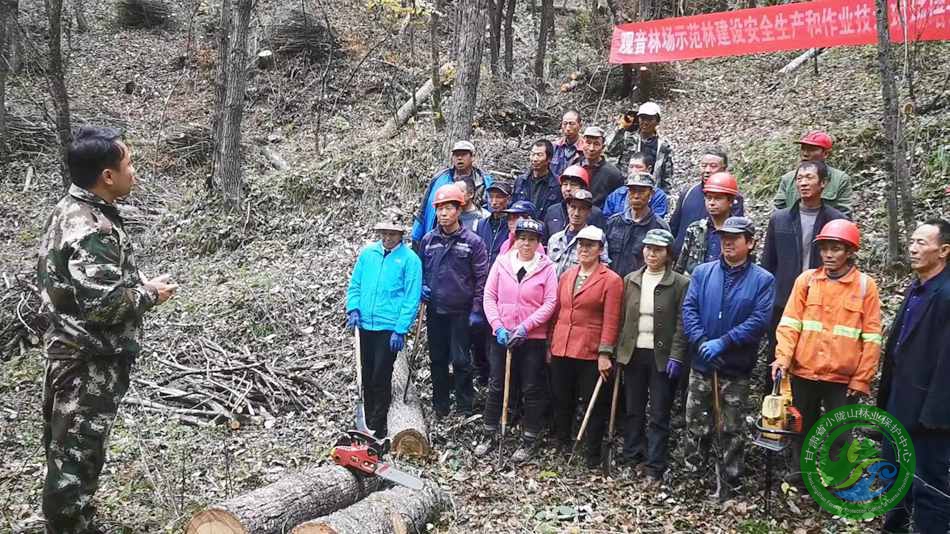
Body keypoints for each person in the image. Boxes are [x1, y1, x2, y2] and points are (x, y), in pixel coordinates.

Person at [37, 126, 178, 534]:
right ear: (107, 176)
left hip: (73, 353)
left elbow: (83, 288)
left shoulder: (69, 209)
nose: (135, 172)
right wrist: (148, 293)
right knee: (75, 461)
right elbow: (103, 305)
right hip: (86, 364)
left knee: (69, 454)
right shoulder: (91, 228)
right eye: (129, 164)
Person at [770, 220, 881, 477]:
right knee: (800, 427)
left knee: (840, 434)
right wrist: (783, 358)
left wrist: (862, 379)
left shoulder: (865, 286)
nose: (829, 254)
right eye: (824, 248)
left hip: (842, 378)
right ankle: (800, 474)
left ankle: (837, 480)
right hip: (804, 371)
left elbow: (872, 337)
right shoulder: (807, 281)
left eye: (836, 248)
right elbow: (789, 323)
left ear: (850, 251)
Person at [680, 216, 775, 500]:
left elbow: (759, 320)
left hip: (735, 368)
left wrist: (725, 342)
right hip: (702, 364)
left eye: (735, 238)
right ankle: (692, 478)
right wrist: (700, 341)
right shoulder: (702, 272)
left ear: (750, 242)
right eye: (724, 237)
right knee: (696, 424)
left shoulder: (763, 280)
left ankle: (730, 482)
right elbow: (689, 309)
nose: (728, 242)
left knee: (731, 428)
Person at [877, 219, 950, 534]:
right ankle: (894, 527)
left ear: (944, 250)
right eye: (912, 241)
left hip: (930, 410)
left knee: (928, 482)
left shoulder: (946, 295)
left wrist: (935, 413)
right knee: (894, 472)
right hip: (900, 399)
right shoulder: (917, 286)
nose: (912, 248)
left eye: (922, 242)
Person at [477, 218, 558, 462]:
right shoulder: (502, 263)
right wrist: (498, 326)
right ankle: (490, 432)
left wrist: (526, 326)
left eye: (531, 239)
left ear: (538, 243)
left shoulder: (547, 268)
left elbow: (550, 302)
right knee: (497, 384)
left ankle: (529, 438)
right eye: (522, 238)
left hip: (531, 338)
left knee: (531, 388)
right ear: (515, 239)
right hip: (501, 337)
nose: (526, 243)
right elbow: (489, 297)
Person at [760, 160, 846, 391]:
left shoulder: (836, 221)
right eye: (800, 178)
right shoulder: (780, 218)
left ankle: (806, 409)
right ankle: (773, 407)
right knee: (777, 353)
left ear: (823, 184)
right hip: (784, 300)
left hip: (823, 301)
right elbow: (768, 263)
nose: (804, 183)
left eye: (810, 178)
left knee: (813, 356)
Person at [615, 229, 689, 482]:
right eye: (648, 248)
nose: (651, 254)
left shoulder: (680, 283)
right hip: (633, 353)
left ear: (668, 254)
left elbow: (682, 323)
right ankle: (632, 454)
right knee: (633, 408)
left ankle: (655, 464)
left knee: (659, 412)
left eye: (658, 250)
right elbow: (621, 317)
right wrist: (617, 352)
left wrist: (677, 356)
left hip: (662, 357)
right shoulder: (631, 279)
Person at [549, 225, 623, 469]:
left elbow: (612, 320)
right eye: (581, 245)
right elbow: (558, 311)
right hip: (563, 345)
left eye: (590, 245)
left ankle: (592, 452)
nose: (584, 249)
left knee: (594, 401)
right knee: (562, 398)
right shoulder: (567, 275)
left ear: (600, 249)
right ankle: (562, 443)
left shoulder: (611, 280)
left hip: (590, 350)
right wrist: (551, 343)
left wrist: (605, 353)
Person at [346, 216, 423, 437]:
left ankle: (378, 427)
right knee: (366, 374)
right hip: (365, 325)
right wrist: (353, 308)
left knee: (381, 375)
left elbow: (411, 298)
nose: (387, 238)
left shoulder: (410, 260)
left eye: (392, 234)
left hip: (388, 328)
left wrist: (400, 329)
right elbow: (355, 284)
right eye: (384, 233)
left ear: (401, 235)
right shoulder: (368, 254)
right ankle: (365, 420)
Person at [419, 184, 489, 417]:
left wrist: (477, 310)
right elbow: (421, 271)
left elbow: (481, 278)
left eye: (449, 208)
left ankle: (464, 406)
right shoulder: (428, 240)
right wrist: (422, 288)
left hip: (461, 311)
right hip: (435, 310)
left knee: (461, 360)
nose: (443, 213)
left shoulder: (473, 242)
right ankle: (440, 405)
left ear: (459, 210)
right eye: (439, 209)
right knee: (437, 359)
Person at [411, 140, 494, 246]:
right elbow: (424, 210)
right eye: (456, 155)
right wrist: (416, 236)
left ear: (472, 157)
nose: (459, 158)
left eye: (463, 154)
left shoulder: (484, 180)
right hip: (440, 233)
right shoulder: (440, 179)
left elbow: (491, 208)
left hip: (474, 230)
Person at [473, 180, 513, 386]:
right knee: (477, 333)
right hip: (481, 285)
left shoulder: (511, 226)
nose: (495, 202)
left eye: (500, 197)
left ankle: (496, 379)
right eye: (492, 197)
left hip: (502, 289)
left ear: (508, 199)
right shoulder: (482, 224)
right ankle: (482, 373)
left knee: (494, 333)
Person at [669, 147, 745, 255]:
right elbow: (674, 226)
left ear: (724, 169)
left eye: (713, 166)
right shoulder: (688, 193)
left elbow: (735, 230)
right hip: (683, 259)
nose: (707, 170)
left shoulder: (733, 197)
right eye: (704, 165)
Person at [605, 172, 670, 279]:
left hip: (640, 286)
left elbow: (665, 263)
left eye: (641, 191)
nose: (636, 196)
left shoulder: (659, 227)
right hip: (613, 284)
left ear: (651, 194)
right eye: (632, 191)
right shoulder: (613, 223)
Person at [773, 131, 853, 218]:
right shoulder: (788, 179)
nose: (805, 154)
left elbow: (844, 215)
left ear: (825, 154)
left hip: (827, 229)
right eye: (803, 149)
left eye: (811, 149)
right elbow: (778, 213)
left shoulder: (839, 179)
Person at [674, 172, 741, 275]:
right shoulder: (696, 229)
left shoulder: (739, 232)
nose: (712, 203)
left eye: (718, 198)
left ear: (730, 201)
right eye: (709, 198)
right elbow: (681, 265)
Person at [605, 102, 674, 191]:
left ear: (657, 121)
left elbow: (667, 176)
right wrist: (622, 128)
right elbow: (610, 152)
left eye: (650, 119)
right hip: (626, 189)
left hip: (651, 191)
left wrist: (665, 196)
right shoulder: (627, 139)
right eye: (642, 118)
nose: (645, 122)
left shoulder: (663, 146)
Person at [548, 190, 610, 277]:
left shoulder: (596, 238)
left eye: (582, 209)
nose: (576, 213)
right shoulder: (555, 239)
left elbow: (604, 270)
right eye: (573, 207)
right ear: (567, 208)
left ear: (589, 212)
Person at [542, 164, 607, 242]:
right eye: (565, 184)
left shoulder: (595, 214)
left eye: (573, 185)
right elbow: (544, 241)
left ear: (583, 188)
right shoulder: (552, 211)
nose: (568, 189)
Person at [602, 153, 669, 220]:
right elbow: (607, 219)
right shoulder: (617, 194)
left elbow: (657, 221)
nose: (634, 171)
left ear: (649, 169)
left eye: (638, 167)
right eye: (631, 167)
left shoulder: (658, 196)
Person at [513, 139, 562, 221]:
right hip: (521, 227)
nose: (535, 159)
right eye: (532, 154)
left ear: (549, 158)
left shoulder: (556, 184)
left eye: (539, 155)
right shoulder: (521, 181)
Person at [579, 126, 624, 208]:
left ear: (603, 147)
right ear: (582, 144)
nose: (591, 148)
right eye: (588, 143)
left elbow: (618, 203)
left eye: (596, 144)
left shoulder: (613, 174)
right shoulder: (575, 168)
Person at [551, 110, 585, 178]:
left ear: (580, 125)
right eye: (565, 123)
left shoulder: (585, 148)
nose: (568, 128)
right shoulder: (554, 147)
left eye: (572, 124)